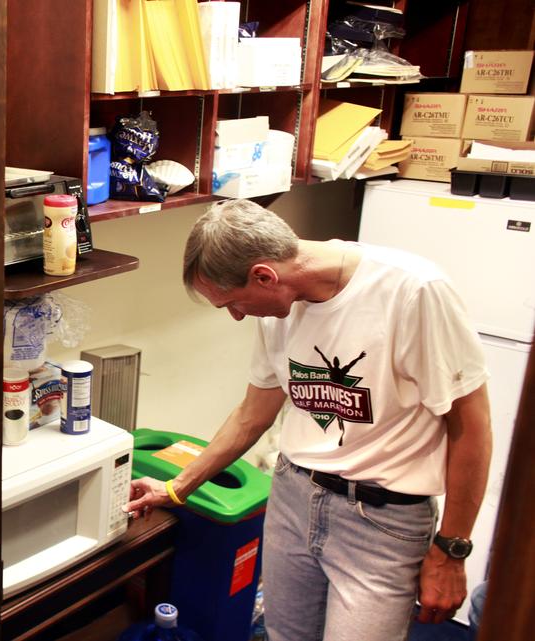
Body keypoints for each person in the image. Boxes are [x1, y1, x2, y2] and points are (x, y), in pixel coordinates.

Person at [123, 199, 492, 641]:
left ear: (264, 275)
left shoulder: (413, 291)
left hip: (382, 520)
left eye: (234, 304)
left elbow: (471, 428)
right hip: (294, 498)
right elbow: (251, 415)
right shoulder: (280, 307)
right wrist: (176, 487)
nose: (236, 316)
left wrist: (451, 550)